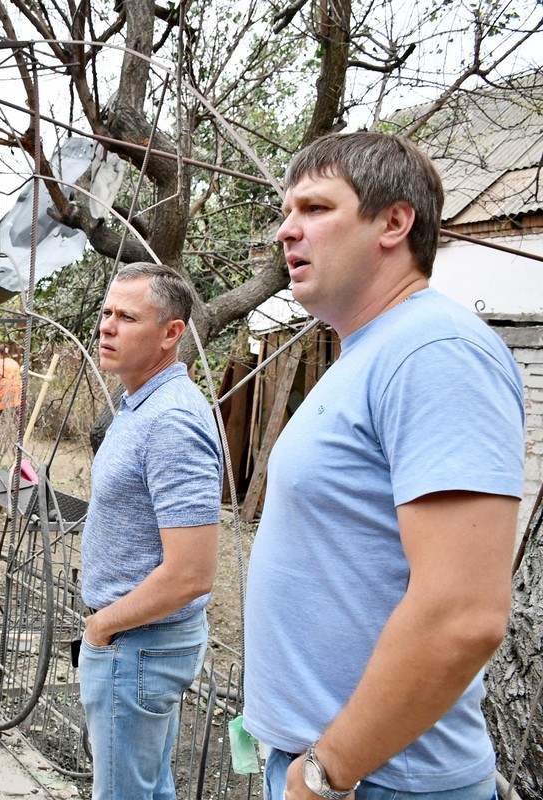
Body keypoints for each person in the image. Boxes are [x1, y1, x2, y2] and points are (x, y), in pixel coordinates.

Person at [242, 133, 524, 800]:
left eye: (314, 208)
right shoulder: (368, 352)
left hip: (377, 780)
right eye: (288, 211)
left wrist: (325, 771)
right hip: (325, 764)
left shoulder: (436, 351)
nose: (287, 231)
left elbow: (464, 613)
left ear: (394, 223)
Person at [79, 262, 223, 800]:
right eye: (106, 313)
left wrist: (102, 627)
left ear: (171, 333)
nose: (108, 327)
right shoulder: (138, 403)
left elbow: (191, 573)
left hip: (137, 644)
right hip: (133, 641)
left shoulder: (171, 421)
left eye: (127, 317)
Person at [0, 342, 22, 412]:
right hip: (19, 397)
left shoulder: (0, 364)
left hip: (6, 397)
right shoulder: (14, 363)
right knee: (17, 419)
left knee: (4, 419)